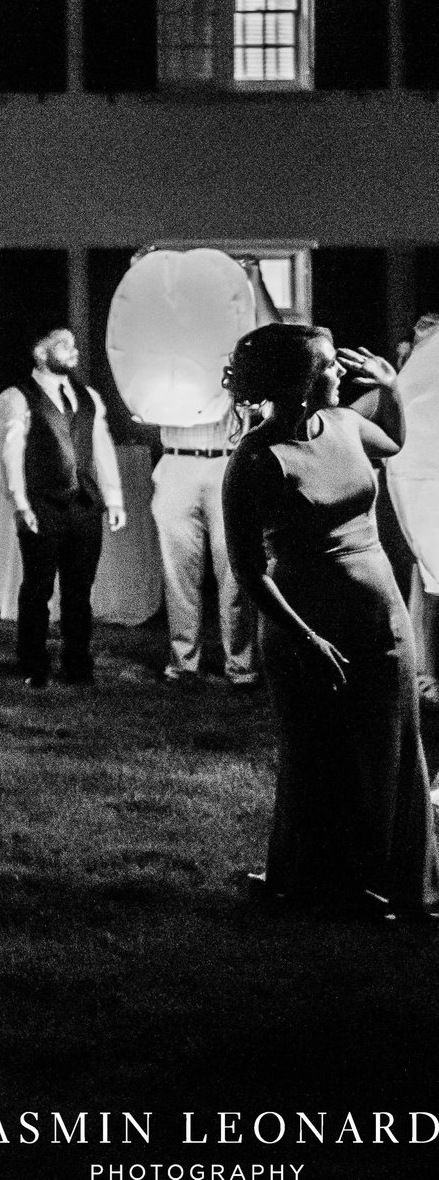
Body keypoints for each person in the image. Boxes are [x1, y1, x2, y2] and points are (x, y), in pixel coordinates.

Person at [221, 325, 438, 918]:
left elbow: (391, 442)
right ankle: (317, 887)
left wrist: (392, 389)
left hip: (381, 613)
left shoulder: (344, 426)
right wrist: (304, 636)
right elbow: (248, 569)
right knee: (320, 755)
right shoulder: (256, 458)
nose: (340, 373)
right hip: (305, 624)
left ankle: (402, 887)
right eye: (327, 367)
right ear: (298, 381)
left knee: (395, 746)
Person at [151, 257, 281, 687]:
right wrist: (148, 275)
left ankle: (240, 664)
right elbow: (139, 326)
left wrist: (255, 280)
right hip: (176, 462)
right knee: (178, 570)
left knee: (237, 568)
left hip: (226, 462)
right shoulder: (168, 344)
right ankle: (182, 660)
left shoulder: (236, 346)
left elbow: (274, 336)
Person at [0, 327, 127, 689]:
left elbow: (102, 446)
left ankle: (78, 662)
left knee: (80, 588)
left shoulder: (88, 396)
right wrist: (19, 502)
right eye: (62, 345)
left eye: (73, 344)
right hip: (42, 503)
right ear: (40, 352)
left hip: (84, 503)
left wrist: (113, 498)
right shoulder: (16, 398)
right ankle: (34, 663)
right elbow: (10, 453)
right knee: (37, 588)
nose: (73, 350)